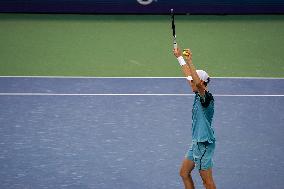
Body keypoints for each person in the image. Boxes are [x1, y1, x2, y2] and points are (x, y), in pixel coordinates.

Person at [173, 47, 216, 189]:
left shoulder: (206, 98)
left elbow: (196, 83)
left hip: (203, 144)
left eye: (194, 81)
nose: (190, 83)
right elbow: (189, 77)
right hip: (196, 142)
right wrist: (179, 57)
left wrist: (190, 61)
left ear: (202, 83)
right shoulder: (198, 94)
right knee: (184, 173)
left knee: (207, 182)